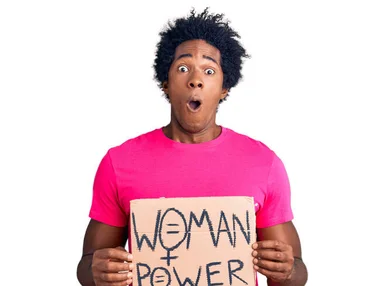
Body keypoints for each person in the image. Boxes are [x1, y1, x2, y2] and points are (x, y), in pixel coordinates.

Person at [76, 8, 308, 286]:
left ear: (224, 88)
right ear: (166, 83)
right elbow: (87, 265)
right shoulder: (119, 162)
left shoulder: (263, 163)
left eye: (209, 70)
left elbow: (297, 271)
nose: (195, 79)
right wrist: (96, 271)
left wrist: (288, 271)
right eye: (183, 68)